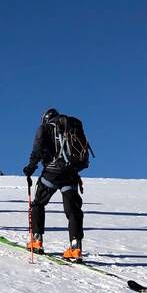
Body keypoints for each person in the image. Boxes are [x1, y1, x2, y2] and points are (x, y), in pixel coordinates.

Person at [23, 108, 88, 260]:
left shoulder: (45, 128)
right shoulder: (71, 127)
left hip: (52, 173)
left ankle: (36, 240)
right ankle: (75, 247)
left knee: (38, 204)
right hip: (71, 174)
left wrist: (30, 167)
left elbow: (37, 149)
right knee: (73, 210)